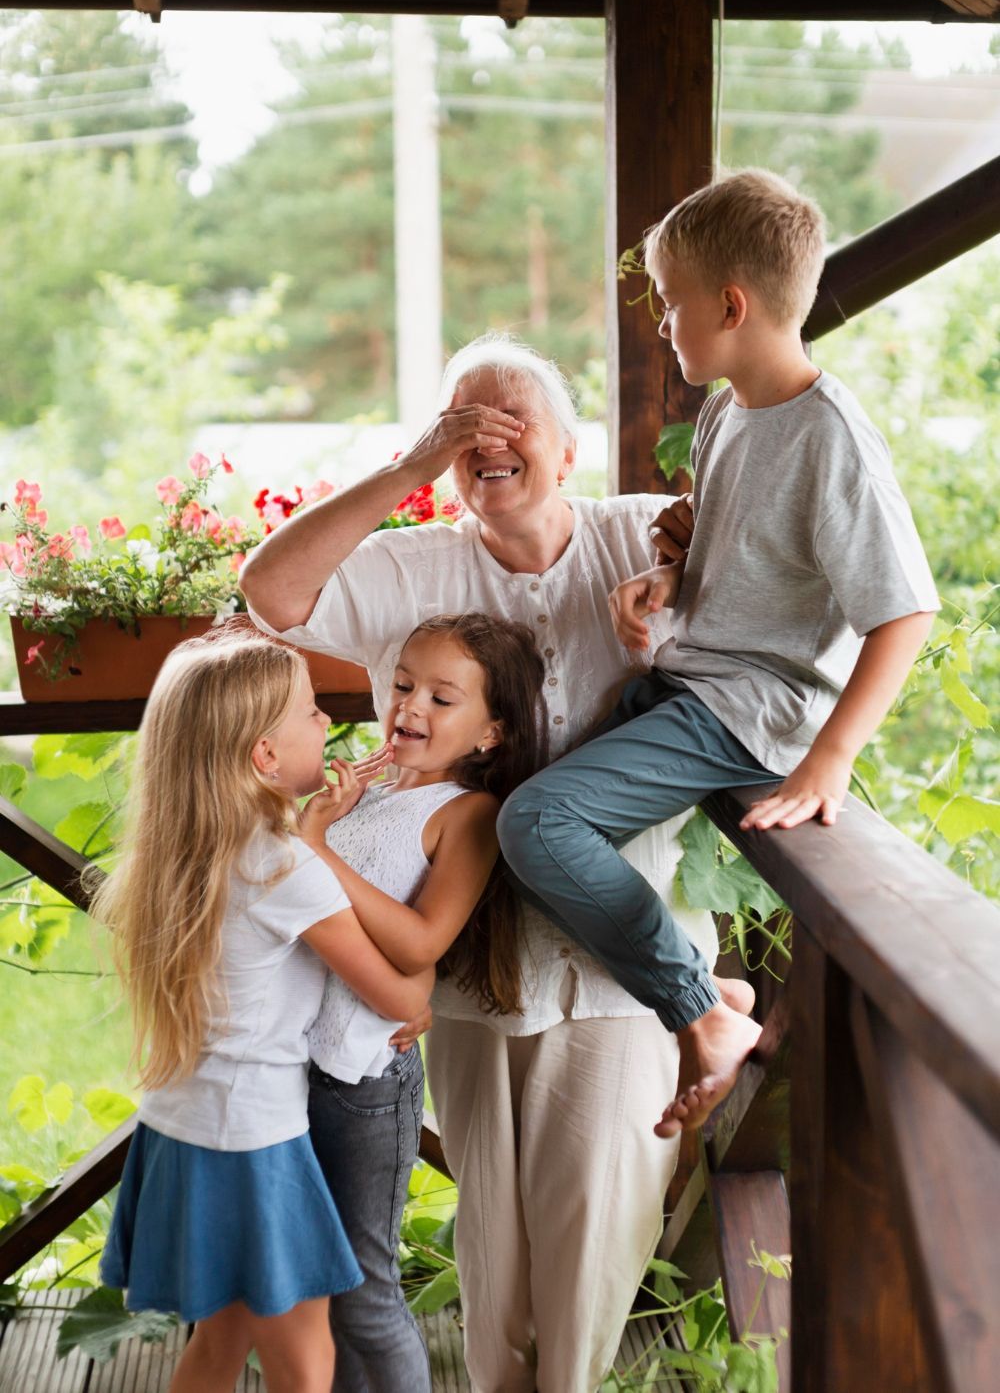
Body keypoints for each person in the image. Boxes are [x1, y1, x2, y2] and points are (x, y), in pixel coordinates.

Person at [239, 334, 731, 1393]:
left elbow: (769, 622)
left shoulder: (635, 532)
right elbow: (271, 597)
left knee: (595, 1244)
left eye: (513, 422)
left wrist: (670, 624)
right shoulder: (409, 565)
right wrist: (410, 467)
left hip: (617, 968)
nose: (489, 442)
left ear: (566, 447)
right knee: (494, 1256)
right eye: (467, 424)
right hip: (470, 972)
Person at [497, 167, 940, 1139]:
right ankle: (712, 1003)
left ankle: (700, 1012)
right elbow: (737, 538)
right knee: (509, 794)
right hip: (686, 683)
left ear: (730, 305)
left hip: (748, 711)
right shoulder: (731, 409)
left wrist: (830, 758)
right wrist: (675, 569)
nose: (661, 324)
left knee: (536, 826)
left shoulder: (833, 440)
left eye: (670, 304)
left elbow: (901, 613)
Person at [93, 625, 435, 1393]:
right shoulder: (284, 869)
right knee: (305, 1361)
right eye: (311, 710)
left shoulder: (174, 853)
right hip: (255, 1147)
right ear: (264, 757)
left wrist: (309, 829)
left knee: (221, 1340)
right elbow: (404, 994)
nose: (326, 721)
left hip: (180, 1128)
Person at [302, 611, 547, 1393]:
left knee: (362, 1291)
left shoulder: (465, 814)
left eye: (443, 699)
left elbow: (418, 941)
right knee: (312, 1279)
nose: (410, 708)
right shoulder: (364, 795)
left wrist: (311, 846)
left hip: (366, 1080)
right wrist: (320, 823)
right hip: (296, 1063)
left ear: (489, 734)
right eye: (404, 686)